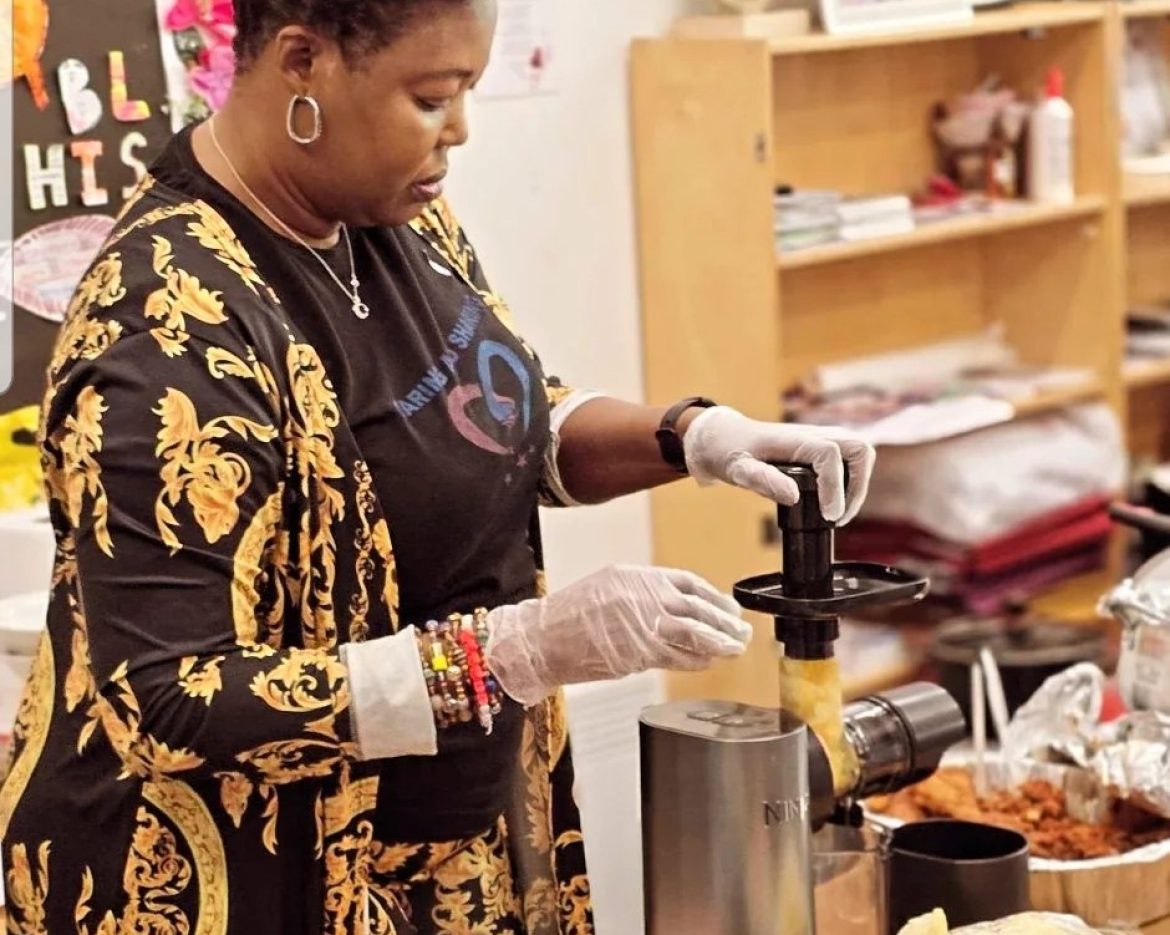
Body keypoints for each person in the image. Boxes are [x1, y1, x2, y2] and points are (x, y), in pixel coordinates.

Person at [0, 0, 875, 932]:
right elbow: (170, 699)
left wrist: (690, 436)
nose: (459, 130)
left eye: (465, 92)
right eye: (431, 96)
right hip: (242, 881)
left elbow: (495, 411)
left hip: (446, 844)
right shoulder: (162, 324)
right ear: (304, 62)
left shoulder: (393, 215)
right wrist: (510, 654)